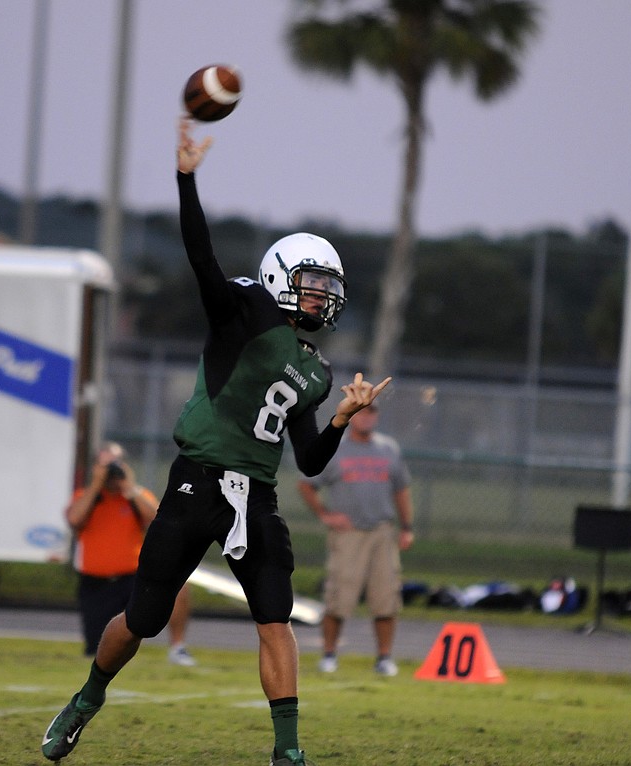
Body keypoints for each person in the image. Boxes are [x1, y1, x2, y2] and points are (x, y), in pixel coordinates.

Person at [40, 115, 391, 766]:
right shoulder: (243, 312)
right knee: (142, 619)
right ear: (283, 277)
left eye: (329, 289)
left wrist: (341, 418)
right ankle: (87, 699)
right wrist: (186, 178)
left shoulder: (316, 368)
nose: (323, 297)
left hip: (254, 495)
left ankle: (287, 751)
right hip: (196, 480)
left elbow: (309, 462)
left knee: (274, 618)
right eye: (314, 284)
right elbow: (201, 256)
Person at [298, 403, 414, 677]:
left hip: (381, 532)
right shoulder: (336, 448)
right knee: (339, 596)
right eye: (361, 411)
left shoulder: (388, 448)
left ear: (377, 415)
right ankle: (329, 654)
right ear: (352, 416)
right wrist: (325, 514)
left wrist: (407, 527)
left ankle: (384, 658)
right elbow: (306, 484)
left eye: (372, 411)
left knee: (386, 597)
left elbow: (401, 490)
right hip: (348, 534)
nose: (367, 416)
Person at [66, 442, 196, 666]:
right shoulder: (86, 496)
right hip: (96, 584)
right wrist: (97, 484)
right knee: (97, 650)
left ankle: (177, 647)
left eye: (115, 464)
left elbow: (158, 520)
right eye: (105, 465)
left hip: (132, 579)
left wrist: (130, 487)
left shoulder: (135, 495)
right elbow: (74, 519)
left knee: (179, 586)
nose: (111, 472)